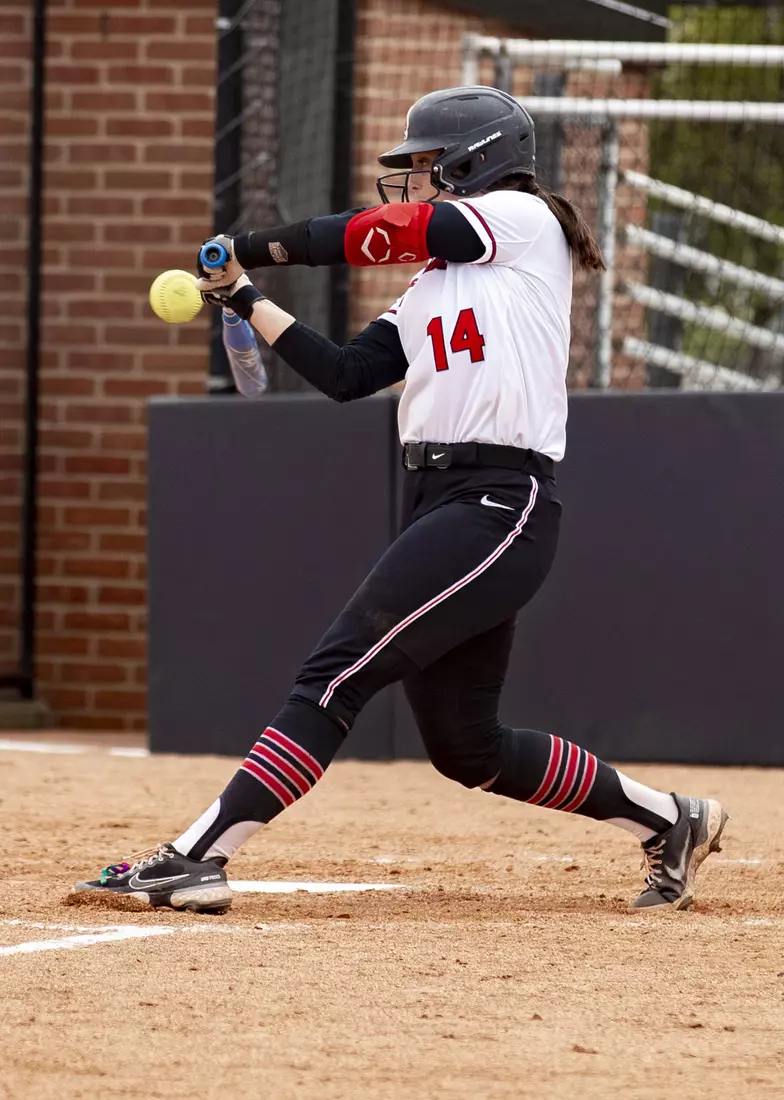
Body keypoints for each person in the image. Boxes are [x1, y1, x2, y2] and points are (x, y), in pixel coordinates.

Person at [74, 86, 727, 915]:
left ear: (475, 157)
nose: (416, 181)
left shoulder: (522, 222)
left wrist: (257, 247)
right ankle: (672, 823)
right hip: (442, 498)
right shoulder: (431, 288)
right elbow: (349, 375)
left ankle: (197, 856)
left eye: (425, 164)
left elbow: (407, 230)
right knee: (468, 747)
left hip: (499, 498)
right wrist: (241, 295)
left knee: (332, 675)